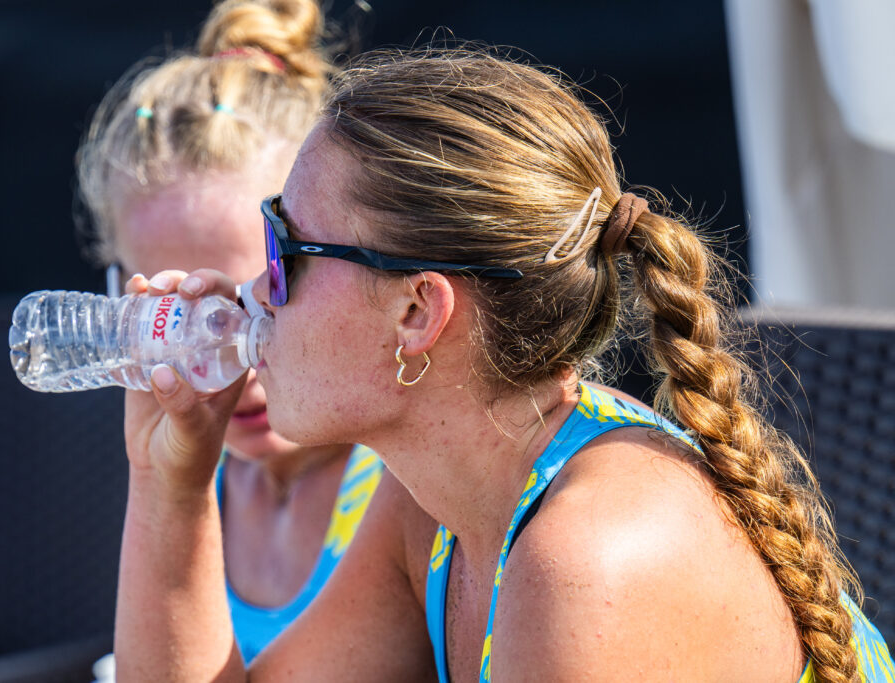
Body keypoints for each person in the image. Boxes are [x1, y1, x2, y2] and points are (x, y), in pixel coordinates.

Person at [114, 46, 894, 682]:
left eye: (284, 248)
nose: (257, 290)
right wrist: (168, 481)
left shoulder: (587, 563)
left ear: (417, 311)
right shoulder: (435, 502)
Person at [75, 0, 383, 666]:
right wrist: (166, 490)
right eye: (175, 311)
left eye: (264, 290)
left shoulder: (405, 482)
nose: (227, 351)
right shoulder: (189, 471)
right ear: (119, 291)